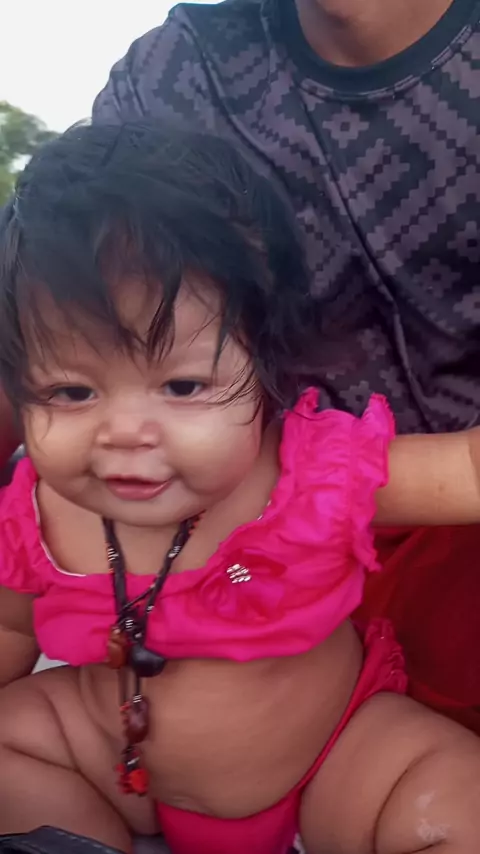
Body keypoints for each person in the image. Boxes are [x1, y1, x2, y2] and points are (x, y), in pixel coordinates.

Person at [2, 120, 480, 854]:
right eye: (71, 392)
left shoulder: (313, 476)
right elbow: (9, 628)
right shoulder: (37, 514)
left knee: (455, 793)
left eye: (182, 385)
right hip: (111, 760)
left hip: (329, 763)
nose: (122, 432)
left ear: (267, 368)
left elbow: (467, 470)